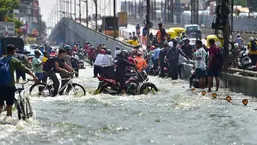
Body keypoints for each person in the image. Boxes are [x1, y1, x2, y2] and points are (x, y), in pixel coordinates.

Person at [0, 44, 38, 117]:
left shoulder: (1, 59)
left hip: (0, 85)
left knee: (0, 105)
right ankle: (8, 120)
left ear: (7, 51)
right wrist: (34, 76)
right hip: (9, 86)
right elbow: (24, 69)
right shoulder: (14, 60)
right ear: (14, 51)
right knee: (9, 105)